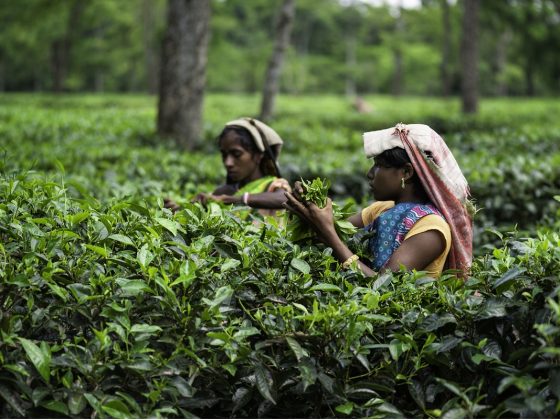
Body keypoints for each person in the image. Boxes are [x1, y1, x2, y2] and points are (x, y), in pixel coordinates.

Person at [284, 123, 473, 278]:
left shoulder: (431, 228)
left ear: (406, 172)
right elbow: (329, 229)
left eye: (379, 165)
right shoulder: (382, 209)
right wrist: (308, 201)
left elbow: (383, 287)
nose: (370, 174)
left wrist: (328, 234)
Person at [165, 117, 291, 220]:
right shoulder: (224, 191)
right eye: (224, 155)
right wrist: (179, 211)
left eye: (236, 154)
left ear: (258, 156)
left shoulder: (273, 186)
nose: (228, 162)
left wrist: (237, 199)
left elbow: (285, 198)